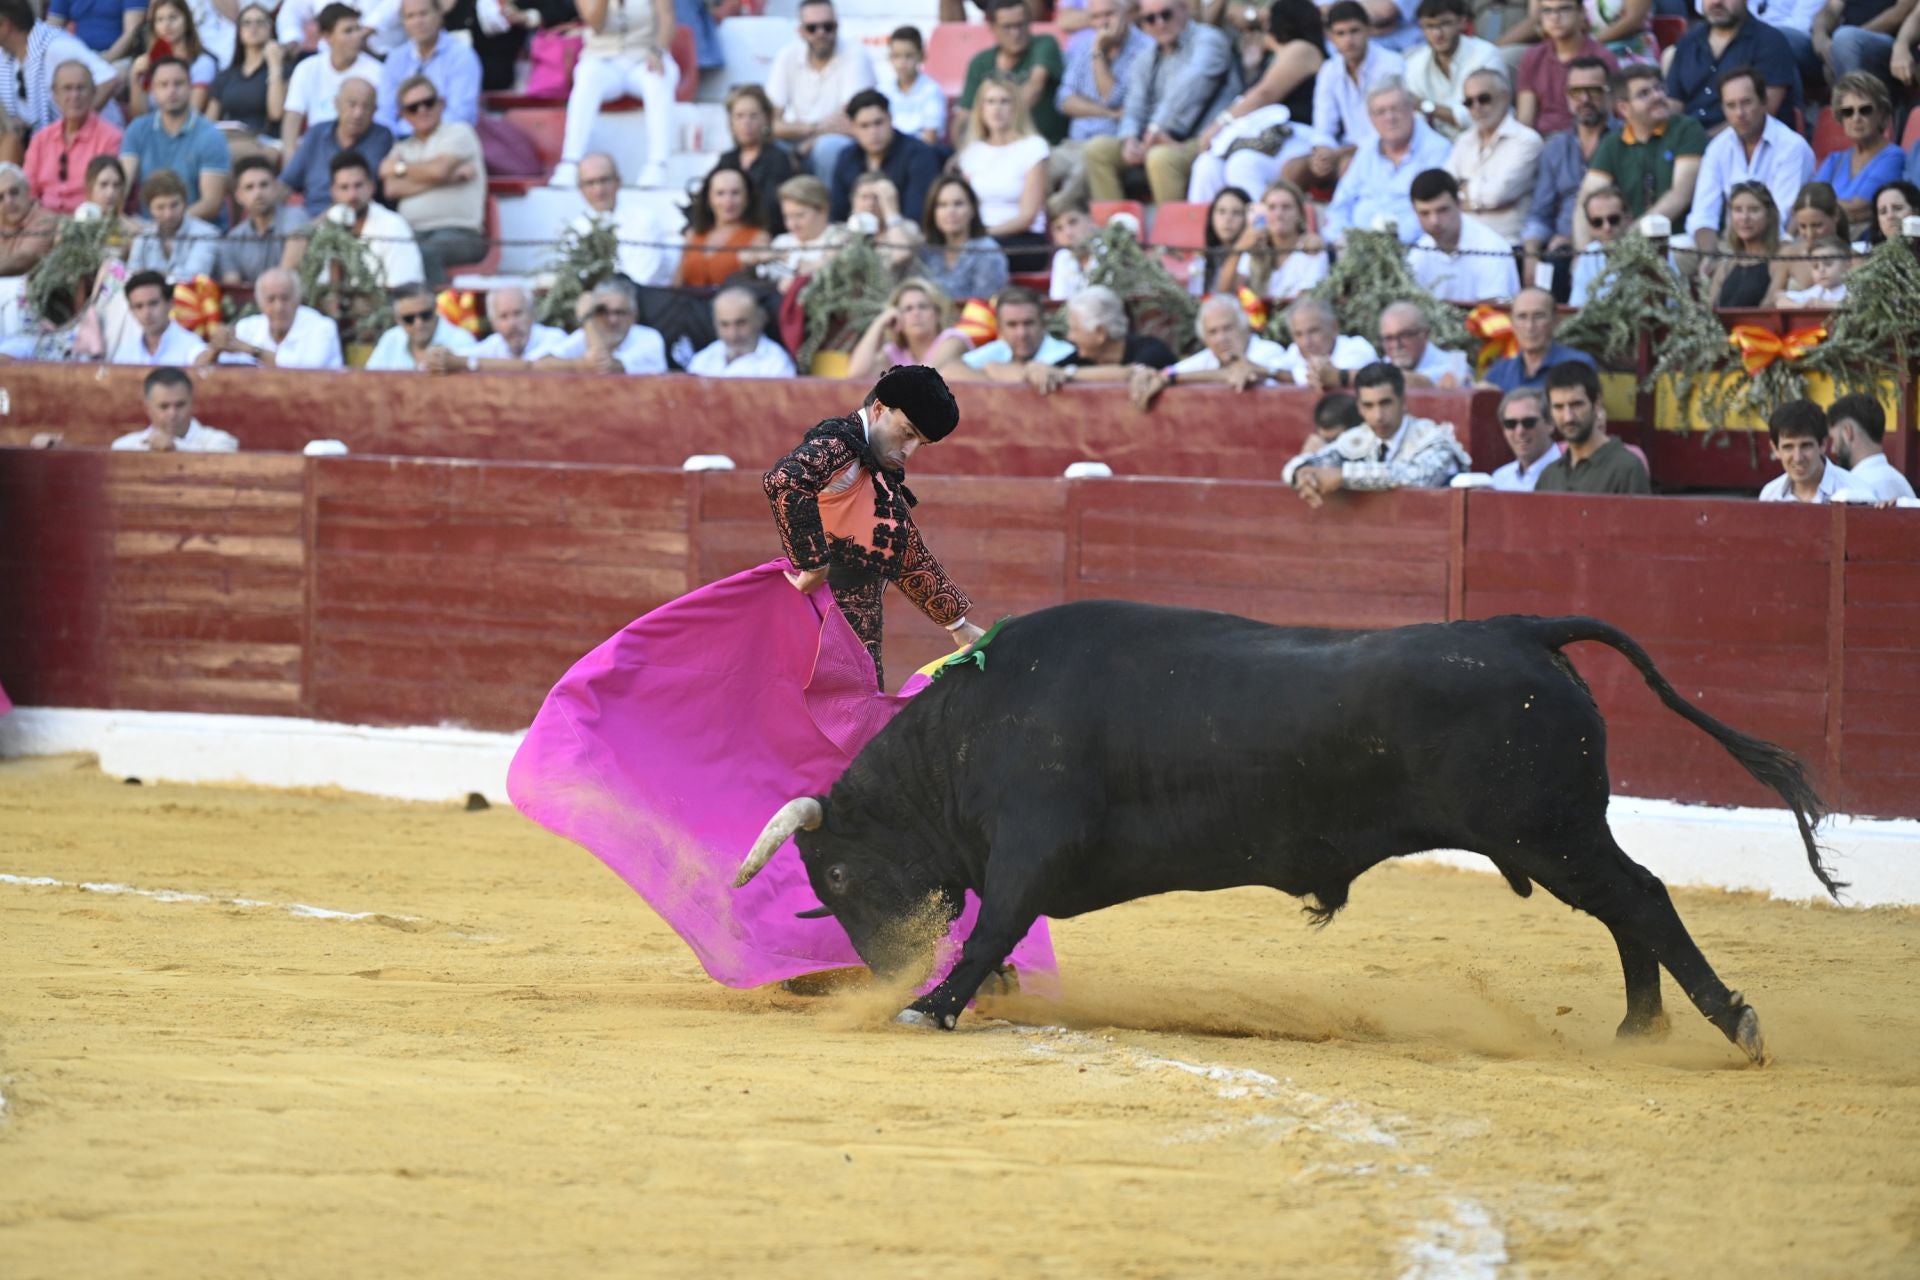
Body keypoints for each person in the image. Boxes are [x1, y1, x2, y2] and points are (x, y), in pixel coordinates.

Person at [763, 363, 984, 687]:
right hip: (814, 626)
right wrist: (812, 563)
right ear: (879, 408)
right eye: (907, 433)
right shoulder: (840, 448)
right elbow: (784, 480)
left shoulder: (870, 463)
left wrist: (957, 624)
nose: (909, 451)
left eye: (919, 443)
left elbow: (902, 548)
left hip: (850, 637)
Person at [1082, 0, 1240, 204]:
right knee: (1097, 150)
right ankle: (1116, 230)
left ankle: (1169, 234)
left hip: (1206, 137)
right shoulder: (1147, 56)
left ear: (1184, 9)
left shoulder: (1209, 39)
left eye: (1166, 14)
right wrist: (1129, 138)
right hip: (1156, 137)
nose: (1159, 23)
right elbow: (1134, 103)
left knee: (1160, 158)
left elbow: (1188, 90)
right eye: (1150, 18)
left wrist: (1153, 132)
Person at [1283, 362, 1470, 505]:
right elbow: (1295, 466)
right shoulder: (1358, 438)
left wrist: (1344, 475)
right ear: (1359, 407)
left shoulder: (1435, 438)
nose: (1378, 416)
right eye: (1368, 406)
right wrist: (1305, 474)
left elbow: (1418, 477)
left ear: (1403, 402)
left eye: (1385, 403)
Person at [1684, 67, 1814, 267]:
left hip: (1778, 246)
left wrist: (1733, 260)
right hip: (1729, 243)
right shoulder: (1717, 147)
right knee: (1672, 254)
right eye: (1731, 105)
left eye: (1746, 103)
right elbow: (1703, 215)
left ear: (1763, 102)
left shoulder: (1792, 146)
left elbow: (1780, 217)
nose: (1740, 113)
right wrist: (1710, 256)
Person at [379, 73, 487, 288]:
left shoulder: (459, 132)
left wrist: (402, 169)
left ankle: (433, 316)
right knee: (385, 249)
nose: (422, 110)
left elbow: (438, 170)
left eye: (428, 103)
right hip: (411, 232)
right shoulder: (402, 147)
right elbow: (390, 188)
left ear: (441, 103)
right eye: (413, 107)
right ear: (404, 115)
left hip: (461, 233)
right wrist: (450, 178)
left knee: (422, 253)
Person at [556, 0, 675, 189]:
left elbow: (667, 18)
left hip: (644, 56)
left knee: (658, 81)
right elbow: (595, 24)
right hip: (603, 59)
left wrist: (658, 50)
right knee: (586, 79)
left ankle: (658, 163)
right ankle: (570, 161)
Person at [1523, 55, 1614, 295]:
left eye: (1593, 91)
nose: (1584, 100)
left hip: (1609, 242)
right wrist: (1531, 254)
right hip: (1559, 250)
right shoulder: (1555, 148)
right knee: (1545, 274)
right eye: (1575, 92)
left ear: (1609, 94)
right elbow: (1539, 214)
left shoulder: (1625, 141)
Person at [1575, 64, 1703, 235]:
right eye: (1644, 94)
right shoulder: (1613, 143)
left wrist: (1630, 242)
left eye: (1659, 88)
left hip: (1680, 240)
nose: (1657, 96)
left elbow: (1680, 194)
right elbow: (1587, 198)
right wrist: (1582, 256)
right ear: (1624, 108)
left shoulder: (1686, 129)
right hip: (1632, 244)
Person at [1322, 80, 1452, 244]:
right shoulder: (1366, 150)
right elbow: (1339, 206)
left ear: (1411, 109)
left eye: (1395, 109)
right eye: (1381, 112)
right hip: (1355, 248)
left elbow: (1434, 214)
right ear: (1371, 119)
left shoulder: (1437, 150)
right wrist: (1341, 238)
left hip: (1411, 248)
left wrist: (1383, 244)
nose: (1390, 118)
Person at [765, 0, 875, 182]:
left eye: (828, 26)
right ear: (800, 31)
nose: (821, 33)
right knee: (764, 149)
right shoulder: (787, 56)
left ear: (837, 26)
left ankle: (829, 209)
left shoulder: (856, 54)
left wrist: (808, 141)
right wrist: (813, 129)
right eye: (812, 28)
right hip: (800, 138)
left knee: (827, 148)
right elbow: (770, 122)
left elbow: (851, 119)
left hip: (841, 140)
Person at [1056, 0, 1153, 199]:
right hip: (1074, 144)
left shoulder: (1147, 49)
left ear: (1128, 13)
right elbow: (1064, 100)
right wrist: (1110, 114)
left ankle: (1055, 209)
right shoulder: (1084, 45)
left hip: (1114, 145)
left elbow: (1112, 97)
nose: (1102, 23)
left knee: (1086, 166)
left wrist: (1099, 51)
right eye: (1095, 17)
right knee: (1035, 165)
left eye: (1109, 14)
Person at [0, 0, 114, 166]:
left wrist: (76, 124)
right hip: (43, 145)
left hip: (93, 144)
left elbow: (109, 80)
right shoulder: (8, 57)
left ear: (5, 25)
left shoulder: (56, 46)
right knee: (9, 138)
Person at [120, 56, 229, 226]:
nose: (171, 91)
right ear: (152, 91)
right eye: (163, 85)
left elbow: (211, 204)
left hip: (198, 233)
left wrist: (160, 226)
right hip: (148, 231)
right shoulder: (137, 129)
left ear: (190, 86)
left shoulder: (210, 135)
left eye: (178, 83)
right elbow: (122, 185)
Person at [1307, 0, 1405, 187]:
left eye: (1354, 31)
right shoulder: (1329, 70)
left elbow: (1387, 128)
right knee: (1295, 168)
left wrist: (1339, 154)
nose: (1348, 40)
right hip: (1345, 149)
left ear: (1368, 29)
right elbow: (1323, 127)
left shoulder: (1391, 65)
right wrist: (1322, 151)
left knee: (1347, 165)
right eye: (1341, 34)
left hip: (1387, 145)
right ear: (1330, 38)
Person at [955, 77, 1050, 269]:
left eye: (1004, 101)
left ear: (1016, 107)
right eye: (990, 101)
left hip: (1024, 241)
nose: (996, 109)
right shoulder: (972, 151)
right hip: (978, 239)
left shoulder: (1033, 147)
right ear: (980, 109)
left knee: (977, 255)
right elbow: (966, 204)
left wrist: (985, 235)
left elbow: (1028, 216)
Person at [1130, 292, 1289, 406]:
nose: (1221, 338)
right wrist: (1151, 375)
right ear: (1204, 338)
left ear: (1244, 328)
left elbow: (1235, 374)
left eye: (1227, 328)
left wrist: (1172, 378)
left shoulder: (1269, 351)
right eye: (1213, 332)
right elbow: (1170, 373)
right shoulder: (1206, 357)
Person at [1665, 0, 1801, 133]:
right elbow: (1674, 103)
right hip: (1689, 144)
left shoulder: (1770, 42)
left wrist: (1704, 143)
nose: (1717, 2)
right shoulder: (1689, 41)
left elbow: (1762, 113)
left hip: (1748, 146)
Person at [1017, 284, 1177, 395]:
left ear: (1100, 333)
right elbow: (992, 369)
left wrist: (1066, 374)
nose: (1070, 337)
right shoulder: (1083, 357)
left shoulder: (1152, 349)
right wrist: (1034, 368)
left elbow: (1133, 372)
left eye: (1075, 329)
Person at [1445, 66, 1541, 241]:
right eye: (1469, 102)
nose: (1476, 107)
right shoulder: (1463, 140)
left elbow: (1497, 194)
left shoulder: (1526, 140)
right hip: (1462, 241)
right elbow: (1445, 190)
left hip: (1506, 245)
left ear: (1505, 97)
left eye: (1484, 99)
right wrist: (1481, 199)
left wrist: (1464, 190)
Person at [956, 0, 1068, 146]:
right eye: (1007, 27)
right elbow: (963, 118)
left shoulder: (1044, 44)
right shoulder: (980, 62)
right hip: (993, 151)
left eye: (1020, 25)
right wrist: (963, 152)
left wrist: (996, 135)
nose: (1015, 33)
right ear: (993, 28)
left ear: (1029, 24)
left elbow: (1034, 89)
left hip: (1046, 146)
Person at [282, 5, 389, 153]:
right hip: (317, 147)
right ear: (327, 36)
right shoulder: (307, 68)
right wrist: (289, 158)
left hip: (360, 146)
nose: (357, 36)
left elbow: (382, 120)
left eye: (358, 29)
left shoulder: (377, 71)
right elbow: (293, 116)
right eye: (348, 31)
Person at [1407, 168, 1521, 303]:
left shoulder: (1491, 247)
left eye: (1442, 210)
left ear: (1459, 204)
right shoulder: (1418, 254)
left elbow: (1492, 312)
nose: (1434, 221)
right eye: (1425, 213)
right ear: (1414, 211)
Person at [23, 59, 122, 215]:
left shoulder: (111, 138)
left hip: (89, 223)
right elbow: (28, 192)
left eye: (81, 88)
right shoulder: (40, 140)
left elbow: (108, 194)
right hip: (43, 223)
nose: (74, 95)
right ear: (55, 94)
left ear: (93, 92)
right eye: (67, 89)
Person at [1535, 360, 1650, 493]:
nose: (1568, 417)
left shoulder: (1627, 468)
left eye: (1576, 405)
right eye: (1559, 407)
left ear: (1597, 403)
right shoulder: (1549, 475)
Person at [830, 88, 940, 228]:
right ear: (853, 128)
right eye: (864, 126)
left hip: (906, 238)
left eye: (878, 123)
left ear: (890, 118)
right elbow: (838, 213)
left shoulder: (918, 154)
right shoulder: (846, 157)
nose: (873, 132)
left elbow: (918, 215)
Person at [280, 78, 392, 213]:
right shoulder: (317, 133)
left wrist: (311, 228)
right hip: (308, 214)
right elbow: (286, 183)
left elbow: (358, 196)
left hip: (354, 217)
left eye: (366, 106)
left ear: (375, 110)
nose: (358, 113)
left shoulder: (381, 137)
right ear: (336, 104)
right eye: (352, 104)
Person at [203, 266, 346, 368]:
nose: (279, 307)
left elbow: (302, 373)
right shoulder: (247, 327)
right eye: (271, 299)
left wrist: (252, 351)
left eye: (285, 298)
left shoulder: (322, 327)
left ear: (298, 299)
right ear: (260, 303)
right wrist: (216, 348)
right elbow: (208, 369)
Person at [1401, 0, 1501, 141]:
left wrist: (1426, 106)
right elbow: (1414, 119)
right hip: (1437, 146)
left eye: (1445, 23)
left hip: (1487, 140)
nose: (1438, 33)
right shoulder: (1414, 63)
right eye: (1430, 26)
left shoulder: (1486, 54)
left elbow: (1483, 114)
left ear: (1462, 22)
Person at [1813, 72, 1902, 231]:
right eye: (1848, 112)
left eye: (1865, 110)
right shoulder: (1835, 159)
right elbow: (1808, 202)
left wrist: (1820, 208)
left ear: (1881, 113)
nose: (1856, 118)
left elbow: (1860, 207)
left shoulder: (1893, 157)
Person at [382, 0, 483, 136]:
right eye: (410, 16)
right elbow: (384, 111)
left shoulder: (461, 56)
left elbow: (461, 114)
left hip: (447, 138)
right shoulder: (395, 58)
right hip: (400, 140)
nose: (418, 21)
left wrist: (414, 132)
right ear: (403, 22)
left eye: (423, 14)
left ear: (439, 14)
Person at [1515, 0, 1615, 137]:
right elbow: (1525, 119)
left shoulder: (1602, 57)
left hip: (1587, 138)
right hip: (1542, 142)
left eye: (1564, 9)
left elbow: (1610, 115)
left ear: (1581, 13)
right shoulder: (1532, 57)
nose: (1555, 17)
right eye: (1547, 11)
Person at [577, 151, 676, 286]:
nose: (598, 190)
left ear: (618, 182)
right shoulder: (576, 229)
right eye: (590, 183)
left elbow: (642, 278)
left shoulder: (643, 222)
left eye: (604, 180)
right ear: (581, 189)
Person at [1226, 178, 1328, 300]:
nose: (1279, 214)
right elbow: (1228, 293)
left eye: (1286, 207)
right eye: (1271, 207)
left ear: (1300, 215)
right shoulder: (1253, 248)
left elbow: (1307, 300)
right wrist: (1239, 249)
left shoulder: (1312, 249)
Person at [847, 278, 971, 377]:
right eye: (908, 309)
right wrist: (879, 323)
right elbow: (857, 373)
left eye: (923, 306)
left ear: (937, 313)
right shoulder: (894, 352)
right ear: (897, 317)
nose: (916, 313)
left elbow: (926, 375)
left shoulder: (953, 339)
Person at [540, 277, 668, 373]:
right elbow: (542, 363)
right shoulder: (586, 335)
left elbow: (604, 367)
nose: (612, 320)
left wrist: (587, 318)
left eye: (619, 312)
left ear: (634, 316)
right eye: (603, 312)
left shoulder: (650, 339)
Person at [1480, 286, 1597, 391]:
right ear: (1512, 323)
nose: (1530, 326)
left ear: (1556, 321)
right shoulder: (1499, 372)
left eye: (1539, 316)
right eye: (1522, 317)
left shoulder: (1577, 365)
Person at [947, 285, 1075, 379]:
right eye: (1012, 325)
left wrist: (993, 369)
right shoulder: (999, 348)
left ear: (1043, 324)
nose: (1022, 333)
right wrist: (992, 370)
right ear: (1000, 329)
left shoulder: (1068, 354)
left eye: (1029, 323)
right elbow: (948, 371)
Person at [718, 84, 797, 237]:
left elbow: (772, 209)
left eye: (753, 116)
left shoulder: (778, 159)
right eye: (739, 116)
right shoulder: (727, 159)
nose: (746, 123)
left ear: (766, 119)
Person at [915, 175, 1009, 303]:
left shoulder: (987, 252)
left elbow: (985, 303)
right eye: (942, 205)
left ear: (972, 209)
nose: (950, 211)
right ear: (933, 212)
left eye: (958, 204)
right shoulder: (927, 251)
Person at [674, 161, 769, 287]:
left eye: (735, 193)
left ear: (747, 198)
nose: (728, 201)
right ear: (709, 199)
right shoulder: (693, 234)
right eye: (720, 193)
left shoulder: (759, 237)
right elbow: (676, 284)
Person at [1700, 180, 1788, 307]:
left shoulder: (1781, 257)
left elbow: (1768, 307)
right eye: (1738, 210)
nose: (1745, 218)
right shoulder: (1727, 264)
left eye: (1753, 210)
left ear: (1769, 215)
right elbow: (1710, 309)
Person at [215, 155, 302, 284]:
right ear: (239, 196)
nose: (258, 193)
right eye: (249, 187)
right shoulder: (232, 240)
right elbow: (234, 288)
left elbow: (287, 277)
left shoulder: (295, 217)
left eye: (264, 185)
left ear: (276, 188)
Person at [1759, 399, 1866, 502]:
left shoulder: (1857, 493)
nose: (1798, 458)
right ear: (1775, 449)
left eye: (1805, 446)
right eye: (1788, 447)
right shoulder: (1769, 495)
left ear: (1823, 445)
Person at [112, 366, 237, 451]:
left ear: (192, 403)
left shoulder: (222, 442)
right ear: (147, 408)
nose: (173, 413)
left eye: (180, 405)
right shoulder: (124, 447)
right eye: (164, 406)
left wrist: (174, 447)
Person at [127, 0, 216, 119]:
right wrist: (135, 79)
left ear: (187, 21)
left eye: (173, 17)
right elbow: (139, 118)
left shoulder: (202, 62)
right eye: (160, 20)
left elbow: (192, 113)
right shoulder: (146, 62)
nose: (166, 25)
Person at [759, 173, 847, 293]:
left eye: (799, 216)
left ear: (823, 210)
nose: (792, 225)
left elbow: (827, 270)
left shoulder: (840, 238)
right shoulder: (782, 241)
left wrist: (785, 257)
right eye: (787, 216)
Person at [127, 168, 219, 279]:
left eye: (174, 205)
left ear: (185, 203)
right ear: (150, 210)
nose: (168, 214)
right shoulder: (143, 238)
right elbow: (132, 277)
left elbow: (192, 279)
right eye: (160, 207)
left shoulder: (207, 234)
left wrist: (149, 278)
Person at [1826, 391, 1918, 500]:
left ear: (1847, 432)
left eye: (1834, 439)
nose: (1833, 449)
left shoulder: (1855, 488)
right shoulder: (1900, 481)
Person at [687, 286, 796, 378]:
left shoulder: (777, 365)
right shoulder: (703, 359)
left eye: (741, 323)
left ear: (760, 319)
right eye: (725, 325)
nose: (733, 334)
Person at [1272, 294, 1379, 387]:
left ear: (1334, 327)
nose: (1306, 342)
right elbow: (1273, 368)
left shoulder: (1358, 347)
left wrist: (1273, 373)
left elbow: (1327, 376)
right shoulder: (1294, 351)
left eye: (1313, 331)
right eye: (1298, 334)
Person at [366, 281, 478, 370]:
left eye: (425, 315)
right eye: (409, 319)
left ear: (435, 309)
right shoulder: (391, 338)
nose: (419, 323)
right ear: (398, 320)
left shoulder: (461, 341)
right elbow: (369, 380)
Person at [111, 268, 210, 364]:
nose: (146, 313)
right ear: (131, 311)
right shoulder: (125, 352)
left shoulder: (191, 345)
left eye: (153, 303)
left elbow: (204, 361)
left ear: (170, 303)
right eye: (139, 306)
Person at [1775, 182, 1848, 298]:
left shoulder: (1856, 260)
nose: (1809, 234)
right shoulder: (1788, 255)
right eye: (1803, 226)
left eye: (1817, 225)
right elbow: (1770, 301)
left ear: (1835, 215)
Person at [1377, 297, 1470, 386]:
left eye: (1404, 335)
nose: (1396, 345)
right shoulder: (1382, 366)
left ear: (1424, 334)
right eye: (1388, 338)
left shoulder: (1453, 369)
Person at [881, 25, 946, 148]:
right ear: (889, 57)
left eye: (908, 56)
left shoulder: (931, 90)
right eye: (896, 56)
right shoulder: (883, 90)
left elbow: (930, 138)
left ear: (921, 56)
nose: (902, 63)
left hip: (920, 153)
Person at [468, 283, 567, 363]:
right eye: (504, 316)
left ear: (532, 314)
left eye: (518, 313)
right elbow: (463, 358)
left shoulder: (555, 340)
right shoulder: (492, 346)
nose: (512, 323)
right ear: (494, 324)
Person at [1831, 0, 1919, 87]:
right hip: (1847, 38)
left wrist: (1844, 43)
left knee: (1845, 39)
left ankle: (1855, 98)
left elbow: (1902, 11)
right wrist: (1822, 40)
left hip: (1888, 40)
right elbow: (1829, 10)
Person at [1488, 386, 1561, 490]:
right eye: (1510, 424)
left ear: (1550, 423)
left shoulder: (1572, 474)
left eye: (1528, 422)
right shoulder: (1499, 479)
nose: (1520, 431)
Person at [0, 162, 56, 279]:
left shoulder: (45, 221)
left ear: (27, 191)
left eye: (14, 192)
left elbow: (24, 260)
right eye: (1, 197)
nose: (8, 201)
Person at [1191, 184, 1250, 292]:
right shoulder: (1201, 257)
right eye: (1221, 212)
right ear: (1211, 216)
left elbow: (1224, 292)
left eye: (1236, 213)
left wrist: (1241, 246)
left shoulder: (1253, 257)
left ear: (1248, 217)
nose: (1228, 219)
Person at [1046, 192, 1095, 299]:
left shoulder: (1112, 250)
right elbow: (1059, 301)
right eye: (1059, 228)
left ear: (1090, 219)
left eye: (1073, 222)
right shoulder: (1062, 258)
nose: (1068, 233)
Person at [1778, 236, 1853, 305]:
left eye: (1828, 264)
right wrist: (1800, 307)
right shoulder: (1818, 290)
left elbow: (1853, 305)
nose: (1821, 270)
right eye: (1815, 266)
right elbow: (1780, 299)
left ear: (1847, 265)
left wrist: (1823, 304)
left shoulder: (1852, 288)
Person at [1866, 178, 1920, 244]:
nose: (1890, 216)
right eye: (1883, 212)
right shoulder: (1875, 254)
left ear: (1916, 211)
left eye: (1898, 208)